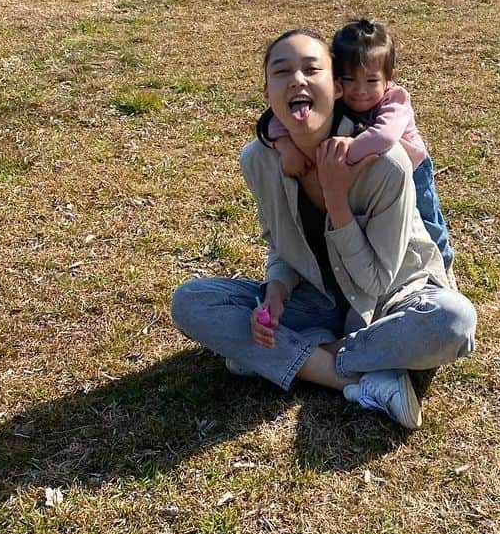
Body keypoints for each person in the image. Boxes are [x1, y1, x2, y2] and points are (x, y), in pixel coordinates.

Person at [170, 29, 476, 429]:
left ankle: (286, 359)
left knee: (453, 320)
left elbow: (374, 281)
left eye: (312, 69)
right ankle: (360, 377)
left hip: (387, 300)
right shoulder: (260, 161)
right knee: (192, 301)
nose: (297, 79)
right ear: (267, 94)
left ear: (336, 87)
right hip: (316, 300)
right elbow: (282, 246)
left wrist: (336, 200)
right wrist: (276, 293)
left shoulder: (385, 163)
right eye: (282, 71)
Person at [267, 18, 454, 270]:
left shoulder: (395, 99)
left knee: (427, 226)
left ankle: (442, 272)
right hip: (372, 173)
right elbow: (273, 121)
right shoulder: (336, 98)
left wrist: (342, 155)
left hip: (412, 171)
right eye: (349, 79)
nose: (360, 90)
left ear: (388, 79)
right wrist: (285, 146)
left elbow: (384, 137)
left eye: (371, 81)